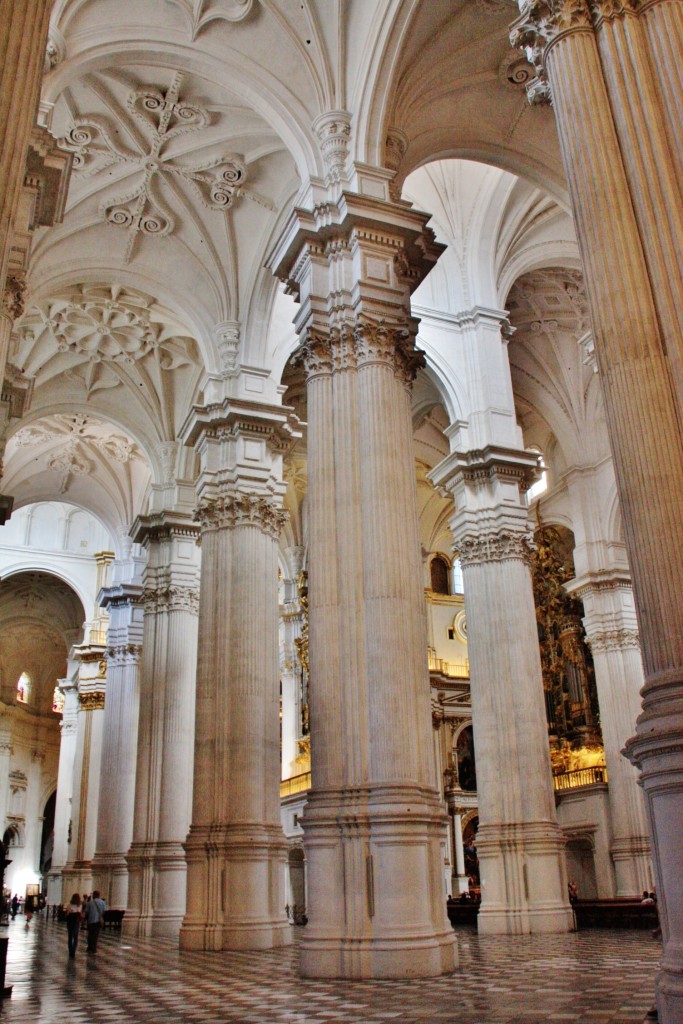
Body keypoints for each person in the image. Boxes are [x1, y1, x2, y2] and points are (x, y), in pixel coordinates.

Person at [65, 893, 82, 958]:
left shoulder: (69, 905)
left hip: (70, 922)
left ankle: (70, 950)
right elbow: (80, 913)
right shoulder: (79, 906)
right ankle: (73, 950)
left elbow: (67, 914)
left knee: (70, 936)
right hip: (76, 923)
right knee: (75, 937)